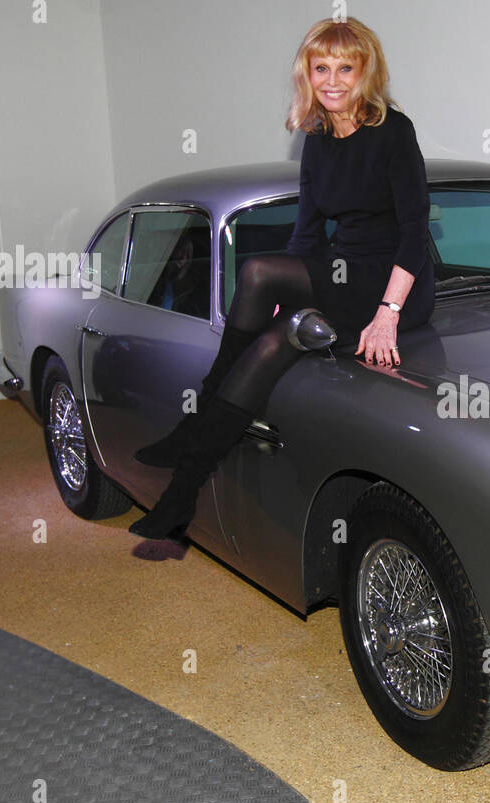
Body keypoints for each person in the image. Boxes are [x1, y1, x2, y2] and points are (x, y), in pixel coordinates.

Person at [128, 16, 436, 541]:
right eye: (321, 68)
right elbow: (308, 233)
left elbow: (414, 232)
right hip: (341, 272)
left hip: (392, 284)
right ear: (306, 75)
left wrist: (389, 314)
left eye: (346, 67)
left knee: (260, 280)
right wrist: (282, 291)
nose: (333, 80)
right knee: (267, 319)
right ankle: (183, 490)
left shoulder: (392, 132)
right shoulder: (317, 139)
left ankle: (192, 435)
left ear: (366, 73)